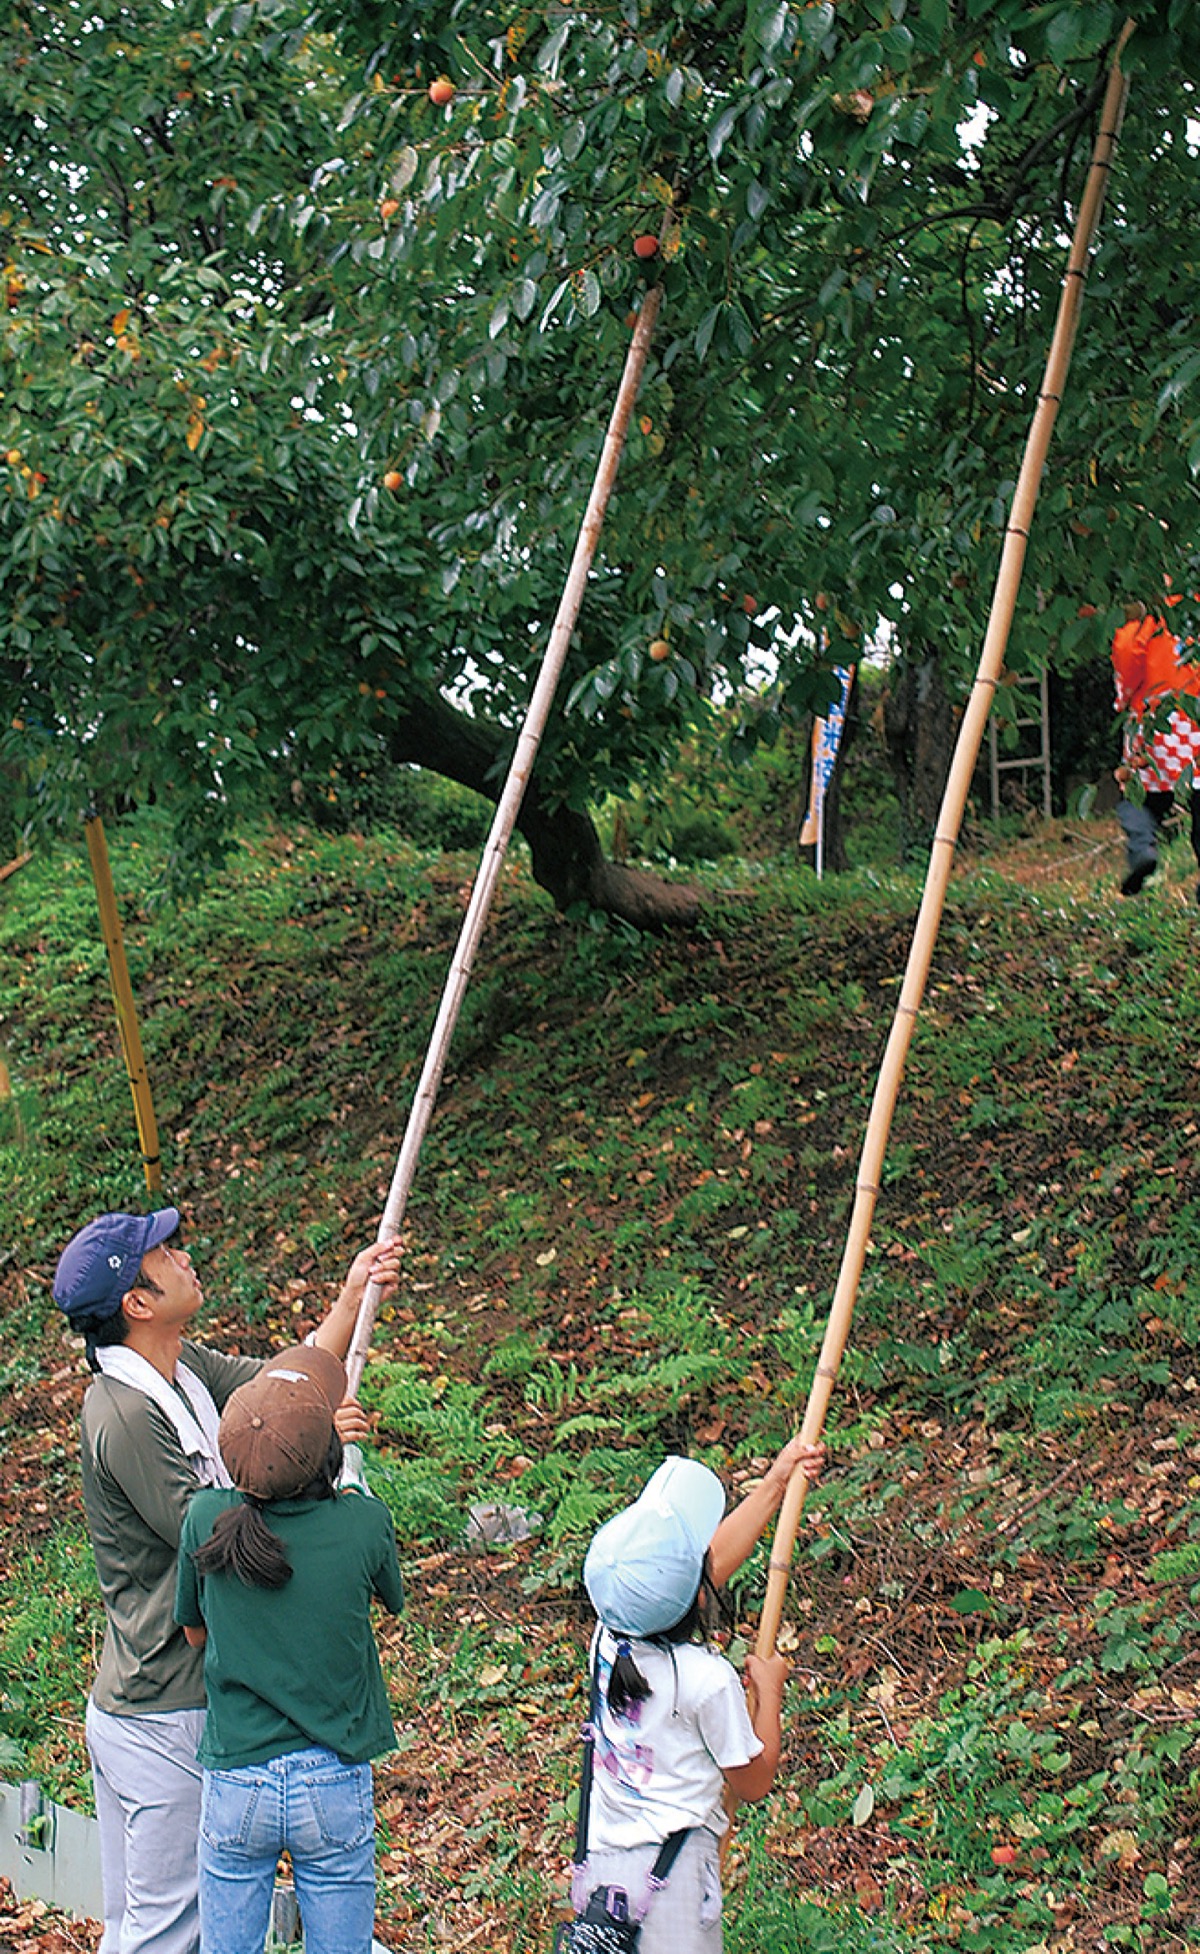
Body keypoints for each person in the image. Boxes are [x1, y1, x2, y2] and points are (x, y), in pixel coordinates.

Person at [51, 1205, 399, 1954]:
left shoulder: (183, 1370)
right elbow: (216, 1534)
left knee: (147, 1927)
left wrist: (350, 1299)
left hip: (169, 1700)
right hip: (162, 1709)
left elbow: (281, 1392)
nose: (184, 1256)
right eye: (165, 1255)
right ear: (136, 1304)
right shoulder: (124, 1413)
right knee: (166, 1934)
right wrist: (314, 1455)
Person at [174, 1345, 404, 1954]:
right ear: (328, 1451)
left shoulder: (205, 1518)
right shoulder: (364, 1523)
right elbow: (391, 1598)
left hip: (237, 1775)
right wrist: (350, 1480)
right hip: (330, 1773)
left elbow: (194, 1633)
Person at [572, 1438, 825, 1953]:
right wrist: (770, 1695)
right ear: (700, 1592)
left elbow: (699, 1572)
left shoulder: (610, 1635)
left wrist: (775, 1484)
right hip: (676, 1884)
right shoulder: (706, 1681)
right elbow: (752, 1781)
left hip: (605, 1867)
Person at [1110, 598, 1200, 898]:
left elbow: (1127, 653)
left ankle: (1142, 849)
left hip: (1154, 720)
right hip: (1197, 717)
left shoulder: (1152, 609)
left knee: (1142, 799)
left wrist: (1124, 696)